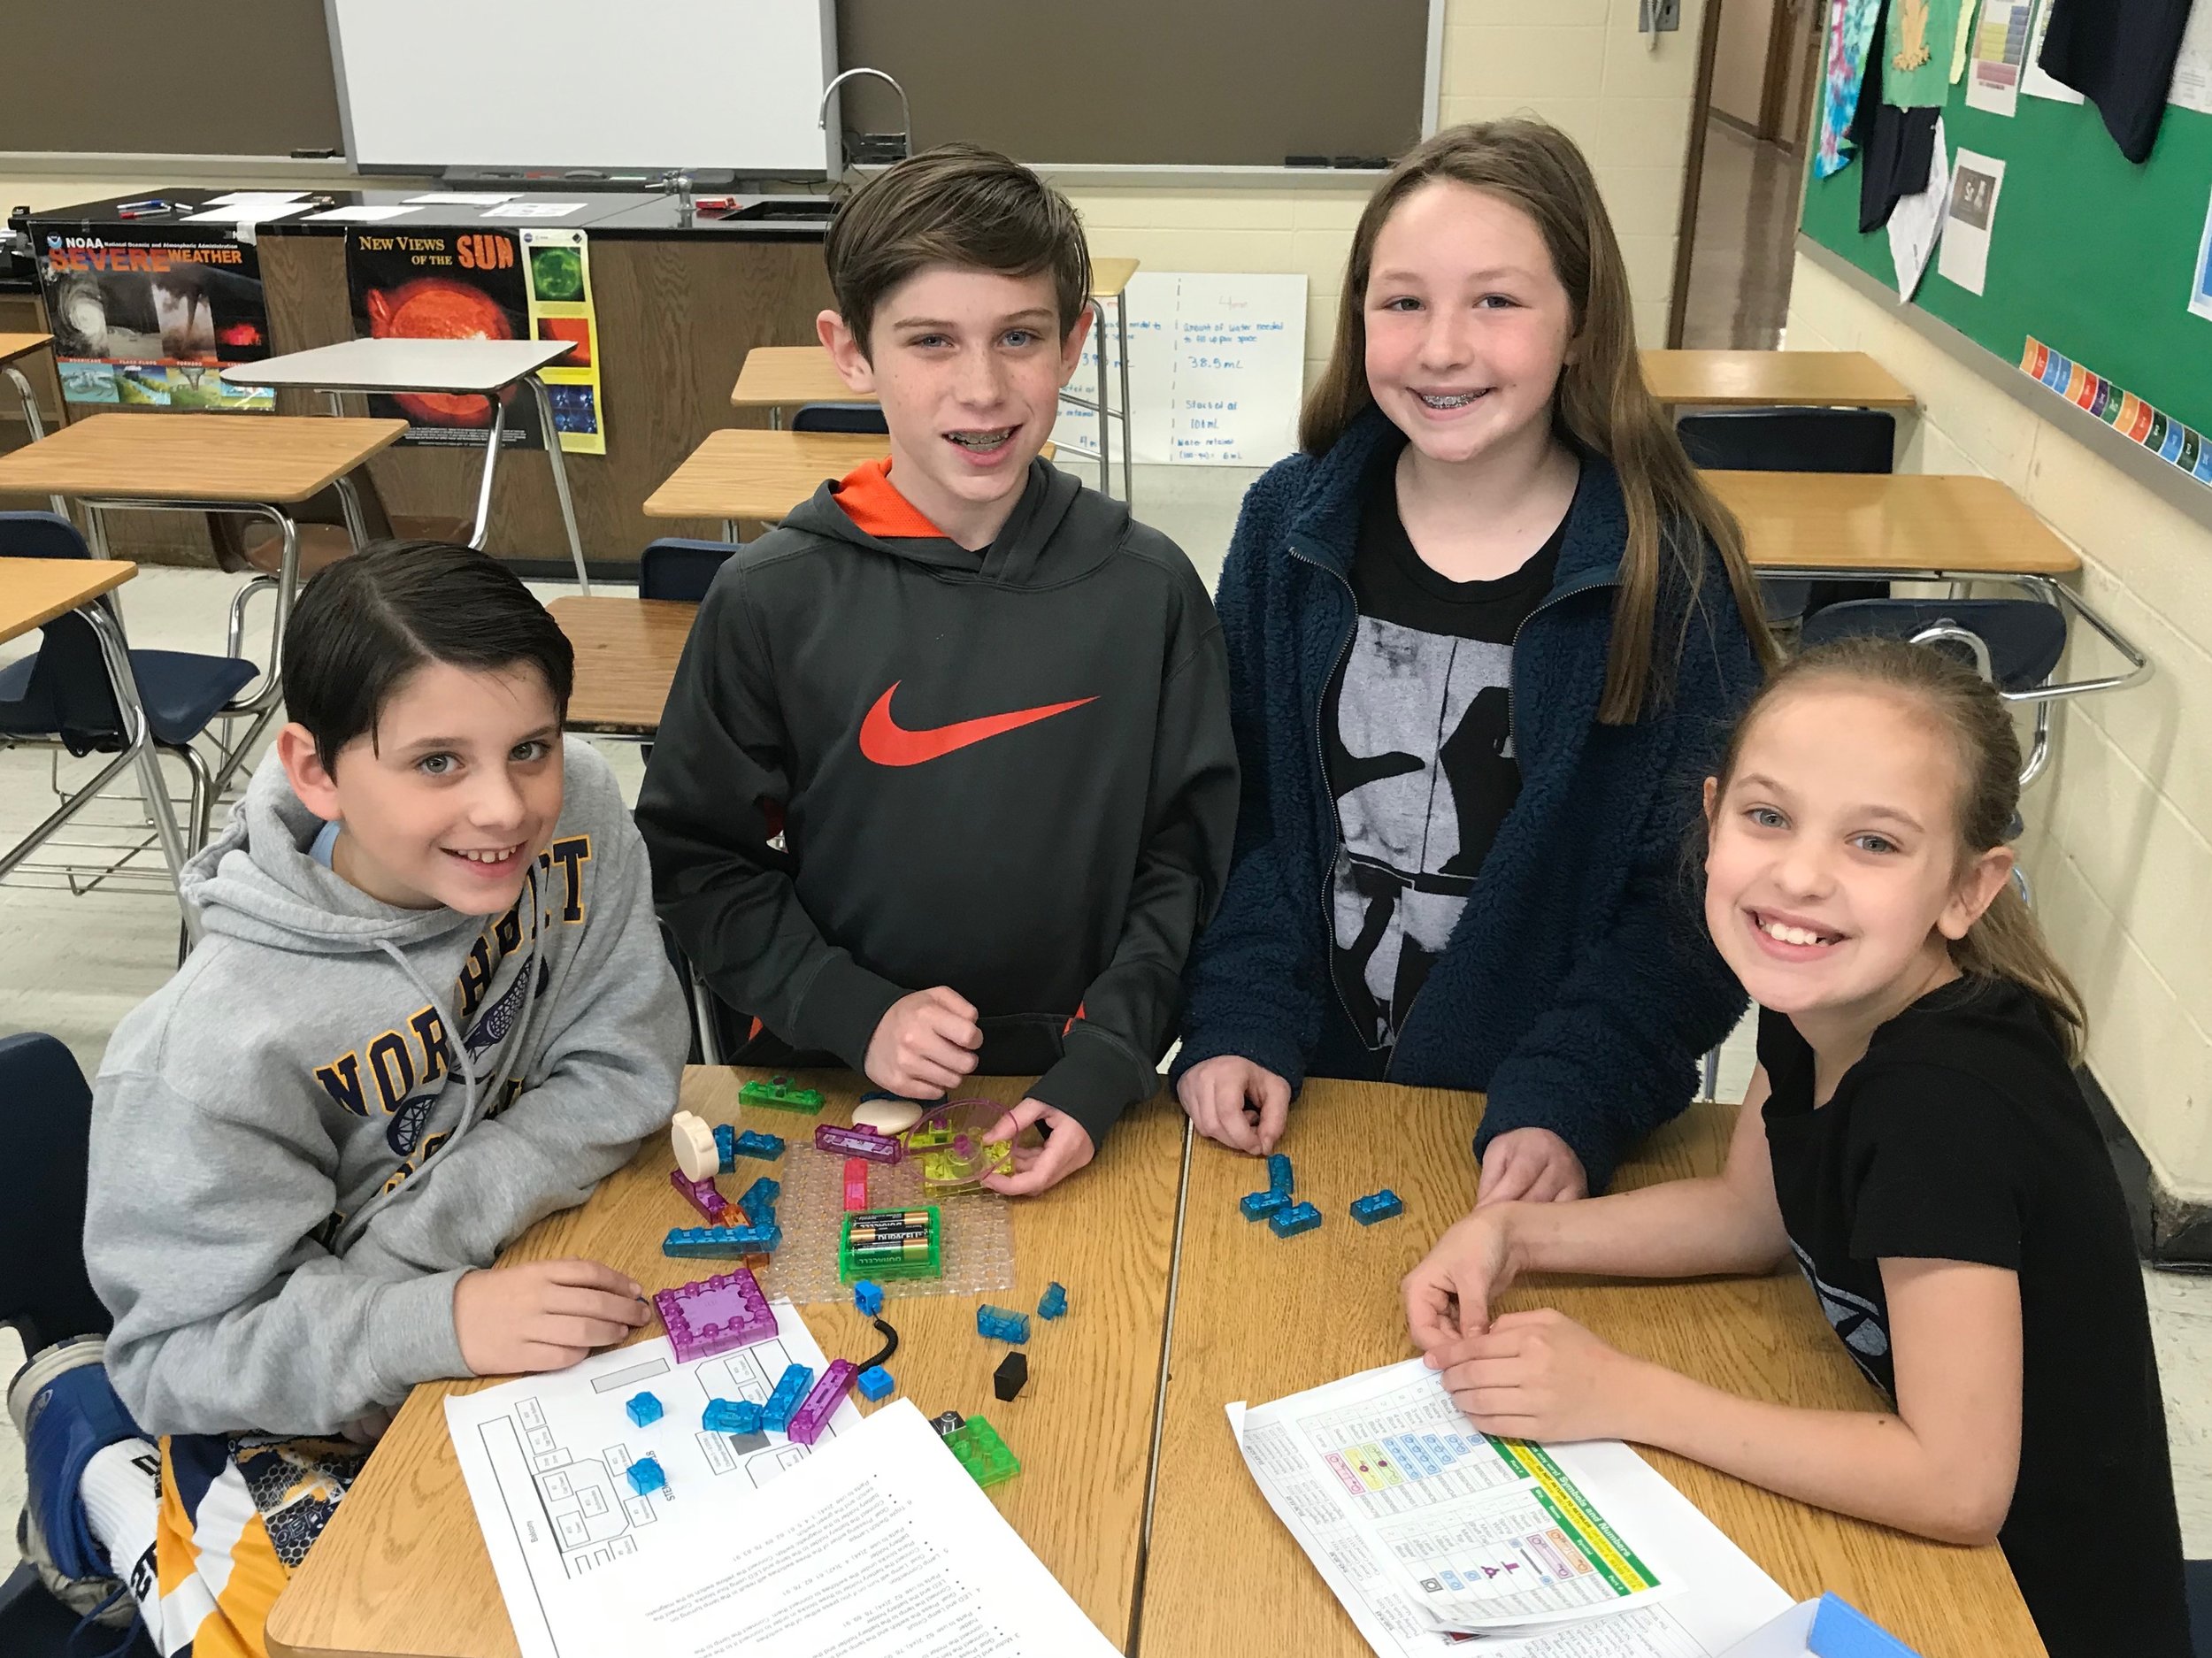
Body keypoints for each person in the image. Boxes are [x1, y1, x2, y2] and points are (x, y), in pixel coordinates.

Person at [1402, 638, 2190, 1658]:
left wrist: (1625, 1392)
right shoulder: (1820, 999)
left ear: (1968, 887)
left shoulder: (1944, 1103)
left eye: (1875, 843)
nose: (1802, 876)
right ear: (1713, 814)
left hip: (2025, 1612)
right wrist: (1513, 1232)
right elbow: (1747, 1212)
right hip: (1907, 1546)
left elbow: (1957, 1485)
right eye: (1768, 817)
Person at [10, 541, 689, 1657]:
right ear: (315, 770)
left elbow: (627, 1064)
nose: (504, 806)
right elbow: (184, 1355)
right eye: (436, 762)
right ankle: (102, 1464)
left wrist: (426, 1262)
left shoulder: (584, 817)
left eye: (532, 747)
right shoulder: (206, 1048)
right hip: (277, 1387)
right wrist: (435, 1313)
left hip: (451, 1291)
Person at [1173, 120, 1771, 1201]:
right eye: (1402, 302)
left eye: (1495, 301)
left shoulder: (1670, 577)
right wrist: (1235, 1016)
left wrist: (1574, 1091)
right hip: (1294, 1098)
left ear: (1580, 325)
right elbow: (1236, 810)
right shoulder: (1286, 526)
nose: (1442, 346)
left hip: (1535, 1132)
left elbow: (1692, 897)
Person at [638, 145, 1237, 1195]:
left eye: (1020, 336)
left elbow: (1186, 865)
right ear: (850, 350)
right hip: (834, 1092)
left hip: (1083, 1095)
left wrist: (1108, 1061)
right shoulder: (772, 599)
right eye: (930, 341)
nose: (983, 386)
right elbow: (700, 862)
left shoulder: (1148, 590)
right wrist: (846, 1006)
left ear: (1075, 342)